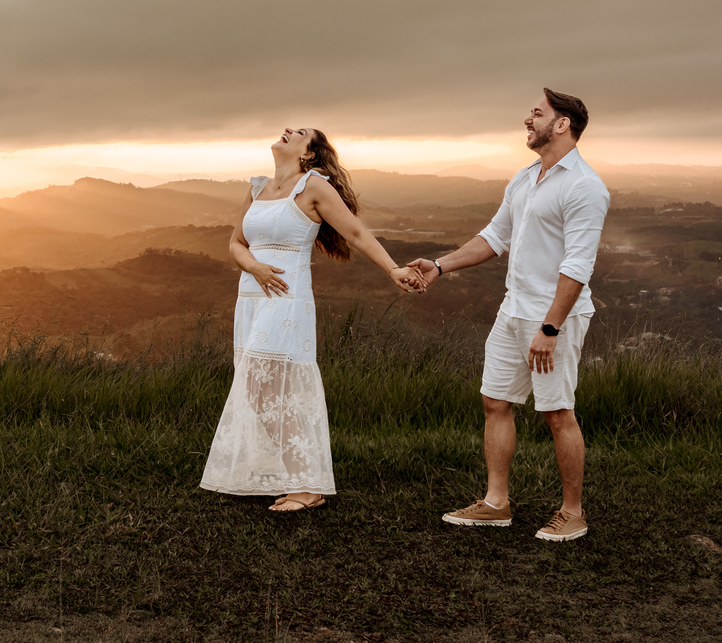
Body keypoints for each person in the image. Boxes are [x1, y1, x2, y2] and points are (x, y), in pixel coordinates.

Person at [407, 88, 610, 542]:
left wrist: (550, 327)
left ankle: (572, 512)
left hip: (553, 318)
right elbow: (493, 237)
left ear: (562, 125)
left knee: (557, 412)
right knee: (496, 403)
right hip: (512, 311)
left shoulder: (585, 186)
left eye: (536, 114)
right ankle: (496, 503)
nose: (527, 120)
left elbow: (577, 266)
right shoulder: (524, 178)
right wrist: (440, 266)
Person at [200, 127, 424, 512]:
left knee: (278, 384)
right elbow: (236, 243)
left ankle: (308, 483)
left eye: (299, 132)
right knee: (255, 387)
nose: (286, 131)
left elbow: (354, 231)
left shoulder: (314, 187)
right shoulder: (257, 188)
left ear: (309, 153)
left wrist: (392, 270)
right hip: (252, 297)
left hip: (286, 301)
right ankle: (289, 470)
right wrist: (255, 267)